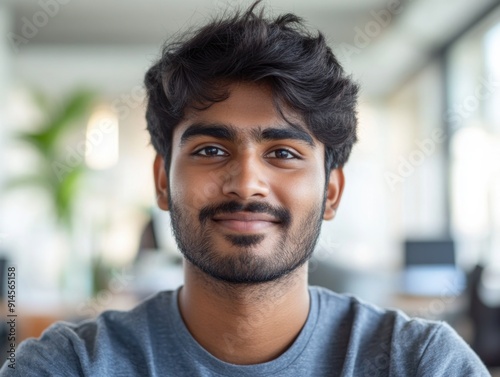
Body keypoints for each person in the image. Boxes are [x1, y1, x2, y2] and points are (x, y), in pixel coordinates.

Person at [1, 1, 489, 376]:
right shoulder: (71, 364)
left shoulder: (421, 362)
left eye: (283, 153)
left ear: (332, 193)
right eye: (211, 150)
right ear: (161, 181)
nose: (247, 183)